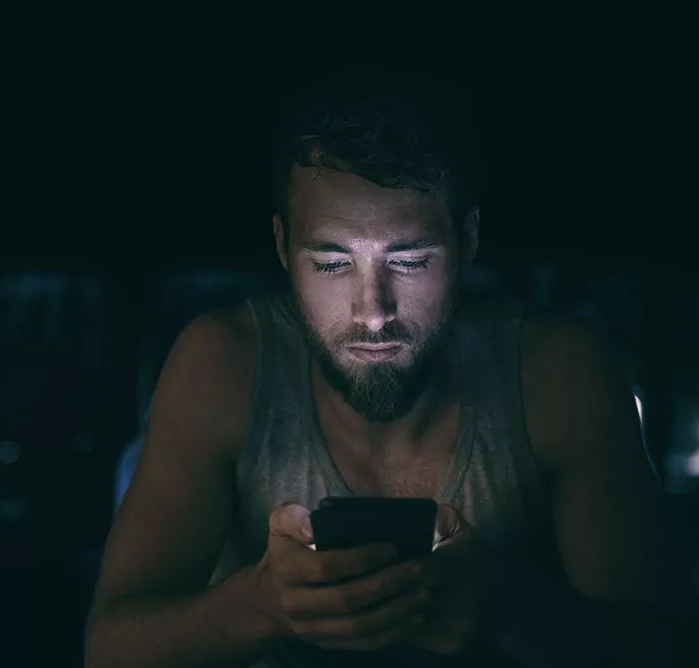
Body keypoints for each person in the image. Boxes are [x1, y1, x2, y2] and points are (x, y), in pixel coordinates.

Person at [84, 70, 697, 667]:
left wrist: (505, 607)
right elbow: (110, 648)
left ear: (468, 240)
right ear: (281, 249)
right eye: (331, 264)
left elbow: (661, 649)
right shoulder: (222, 365)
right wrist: (263, 605)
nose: (372, 313)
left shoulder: (560, 373)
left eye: (408, 261)